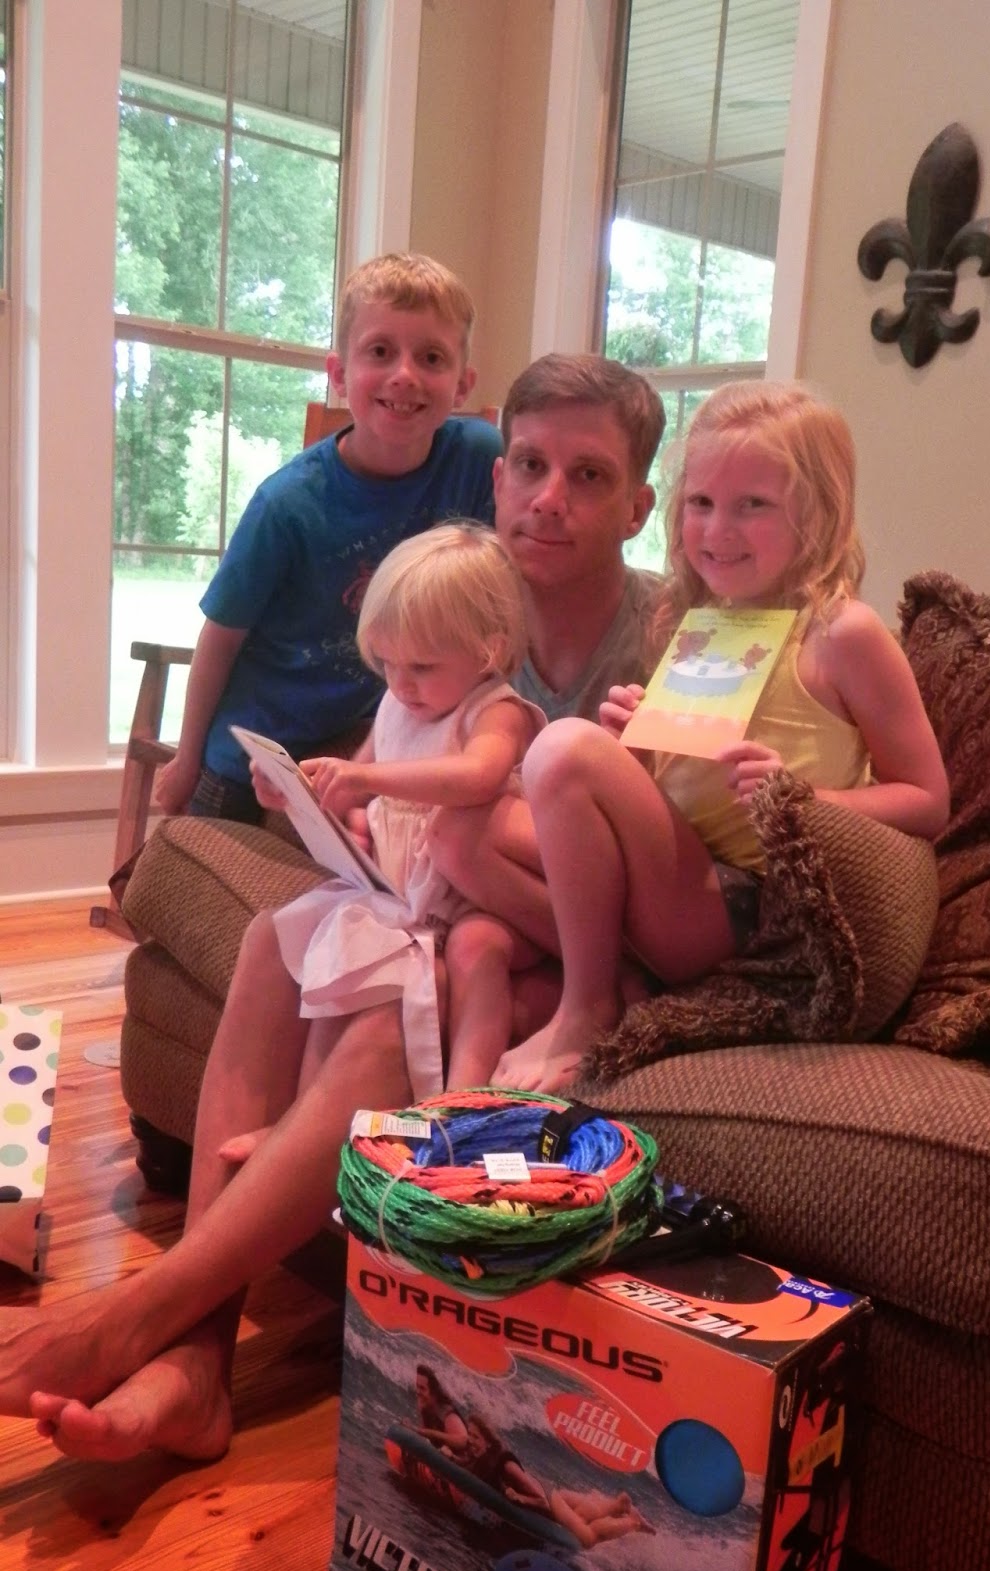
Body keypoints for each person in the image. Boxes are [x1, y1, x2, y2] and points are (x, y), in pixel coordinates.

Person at [0, 353, 665, 1465]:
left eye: (589, 476)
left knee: (395, 989)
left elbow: (658, 869)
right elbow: (399, 750)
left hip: (552, 939)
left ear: (638, 505)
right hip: (446, 895)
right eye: (530, 466)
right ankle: (195, 1357)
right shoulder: (456, 600)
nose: (550, 497)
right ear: (496, 476)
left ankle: (143, 1317)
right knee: (280, 935)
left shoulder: (662, 637)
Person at [484, 380, 950, 1092]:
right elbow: (685, 793)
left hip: (756, 910)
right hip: (681, 881)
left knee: (562, 749)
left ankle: (587, 1005)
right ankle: (615, 978)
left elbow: (928, 799)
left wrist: (806, 800)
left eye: (752, 505)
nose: (716, 530)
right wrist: (637, 750)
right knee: (468, 826)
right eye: (701, 502)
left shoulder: (843, 635)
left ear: (818, 512)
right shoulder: (697, 622)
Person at [154, 252, 501, 824]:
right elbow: (220, 637)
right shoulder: (287, 504)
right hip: (256, 748)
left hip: (372, 731)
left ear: (462, 385)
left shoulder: (479, 458)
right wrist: (186, 759)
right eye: (380, 351)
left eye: (431, 357)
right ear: (339, 375)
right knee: (204, 857)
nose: (405, 374)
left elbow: (505, 588)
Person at [250, 521, 545, 1102]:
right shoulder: (396, 705)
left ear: (488, 650)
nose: (401, 684)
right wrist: (295, 792)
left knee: (477, 948)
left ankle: (460, 1104)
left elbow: (478, 776)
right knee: (336, 962)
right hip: (404, 900)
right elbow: (349, 793)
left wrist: (364, 776)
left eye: (423, 667)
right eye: (387, 662)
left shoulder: (496, 711)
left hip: (483, 904)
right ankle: (300, 1114)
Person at [460, 1412, 550, 1513]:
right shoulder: (479, 1457)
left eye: (476, 1437)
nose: (470, 1440)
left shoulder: (506, 1465)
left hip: (549, 1502)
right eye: (469, 1434)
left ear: (488, 1443)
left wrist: (519, 1497)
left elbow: (543, 1502)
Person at [413, 1363, 467, 1455]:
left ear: (434, 1392)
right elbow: (424, 1434)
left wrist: (432, 1434)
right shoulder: (424, 1406)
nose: (418, 1392)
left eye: (422, 1388)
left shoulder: (447, 1414)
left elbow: (463, 1441)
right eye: (417, 1386)